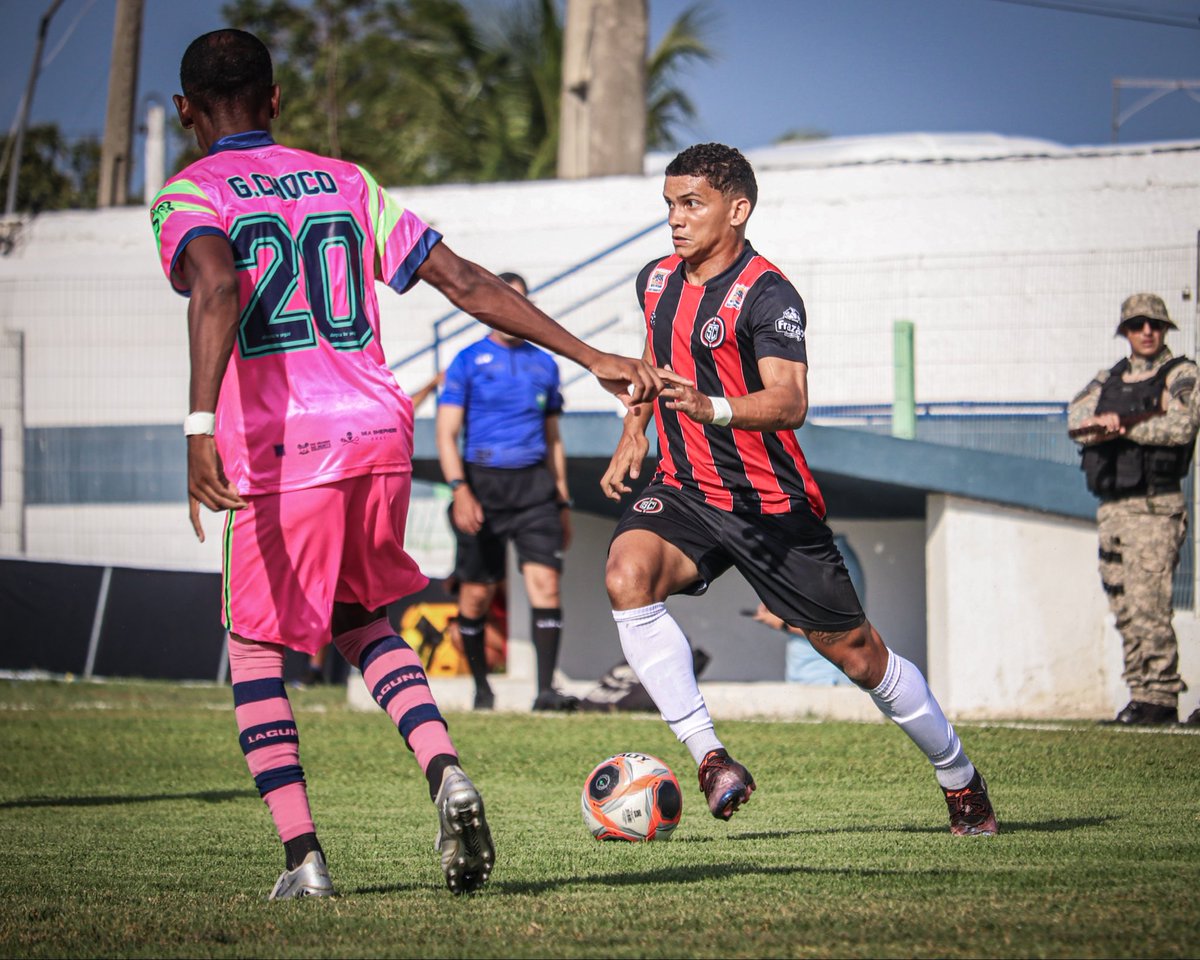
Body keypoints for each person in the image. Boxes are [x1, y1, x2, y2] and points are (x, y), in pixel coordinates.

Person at [149, 29, 661, 900]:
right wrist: (589, 356)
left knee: (253, 646)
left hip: (284, 451)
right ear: (276, 101)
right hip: (380, 436)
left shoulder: (186, 192)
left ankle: (302, 860)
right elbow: (464, 281)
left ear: (185, 110)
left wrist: (199, 423)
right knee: (362, 620)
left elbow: (219, 285)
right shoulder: (347, 183)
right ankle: (446, 772)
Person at [600, 142, 998, 835]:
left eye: (691, 203)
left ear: (738, 208)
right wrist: (635, 428)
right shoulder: (655, 280)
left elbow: (788, 402)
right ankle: (711, 759)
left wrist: (711, 407)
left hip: (771, 508)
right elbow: (654, 364)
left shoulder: (769, 294)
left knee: (859, 656)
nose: (676, 219)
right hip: (686, 489)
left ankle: (960, 777)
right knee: (626, 576)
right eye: (669, 205)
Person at [436, 272, 580, 712]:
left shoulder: (545, 363)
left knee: (546, 586)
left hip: (535, 488)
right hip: (482, 486)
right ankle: (482, 689)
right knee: (477, 595)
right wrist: (460, 489)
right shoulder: (466, 360)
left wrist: (562, 500)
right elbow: (446, 435)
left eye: (516, 303)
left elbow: (554, 439)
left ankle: (544, 692)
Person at [1068, 293, 1200, 726]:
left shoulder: (1180, 373)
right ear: (1125, 331)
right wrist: (1105, 425)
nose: (1147, 332)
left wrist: (1121, 426)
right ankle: (1141, 695)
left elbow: (1181, 425)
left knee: (1149, 605)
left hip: (1153, 507)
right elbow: (1077, 421)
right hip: (1113, 510)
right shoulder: (1109, 378)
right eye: (1138, 324)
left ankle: (1160, 696)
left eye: (1155, 325)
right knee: (1125, 606)